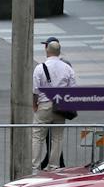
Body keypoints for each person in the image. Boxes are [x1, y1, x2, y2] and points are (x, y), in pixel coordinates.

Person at [32, 38, 77, 169]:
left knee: (37, 136)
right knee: (57, 137)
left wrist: (35, 104)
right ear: (59, 52)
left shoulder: (40, 68)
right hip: (60, 106)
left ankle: (34, 167)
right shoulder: (67, 68)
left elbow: (35, 89)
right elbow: (73, 89)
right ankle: (53, 166)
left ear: (47, 50)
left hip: (44, 105)